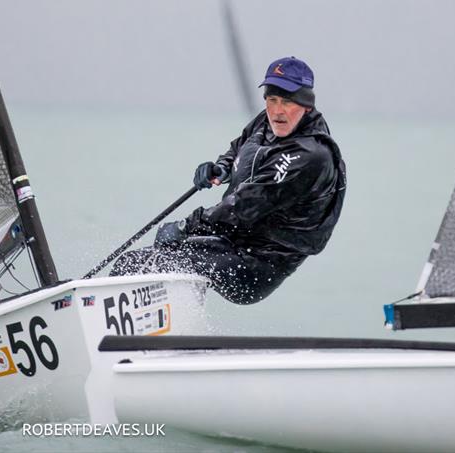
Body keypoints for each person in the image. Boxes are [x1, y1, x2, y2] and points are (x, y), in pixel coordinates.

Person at [111, 56, 346, 304]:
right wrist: (221, 168)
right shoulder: (265, 123)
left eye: (287, 102)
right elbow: (240, 147)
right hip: (232, 242)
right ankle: (165, 325)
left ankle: (124, 330)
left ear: (306, 105)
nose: (277, 111)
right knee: (137, 261)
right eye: (271, 100)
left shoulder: (310, 156)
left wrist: (185, 226)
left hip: (258, 266)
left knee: (154, 261)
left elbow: (243, 208)